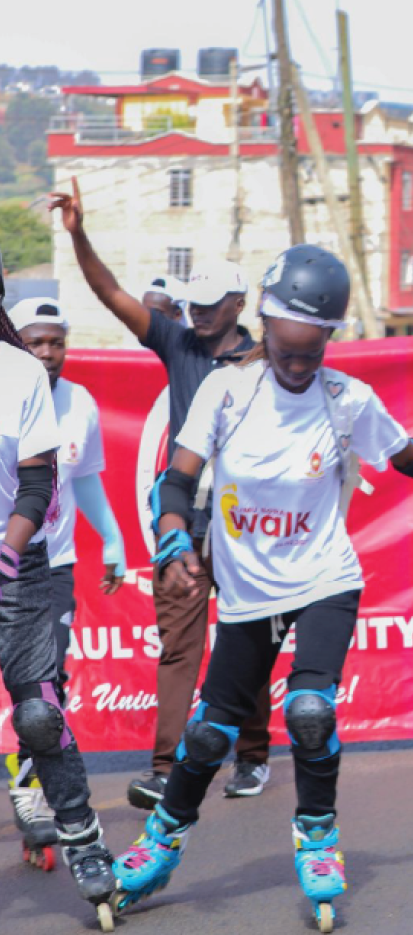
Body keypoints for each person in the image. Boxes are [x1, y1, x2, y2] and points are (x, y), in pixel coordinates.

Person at [109, 245, 413, 930]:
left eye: (312, 353)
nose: (298, 367)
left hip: (325, 576)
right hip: (250, 591)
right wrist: (174, 532)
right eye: (287, 351)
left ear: (330, 339)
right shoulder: (227, 392)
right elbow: (175, 478)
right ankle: (160, 843)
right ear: (264, 327)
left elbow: (408, 452)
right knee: (210, 734)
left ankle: (318, 839)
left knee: (308, 710)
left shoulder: (344, 398)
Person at [52, 179, 273, 809]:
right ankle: (164, 767)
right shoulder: (177, 341)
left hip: (249, 519)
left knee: (248, 633)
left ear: (238, 303)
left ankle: (253, 757)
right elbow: (110, 293)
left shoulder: (266, 358)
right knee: (179, 642)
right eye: (192, 303)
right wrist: (78, 235)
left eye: (209, 304)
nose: (197, 312)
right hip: (182, 516)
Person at [0, 259, 117, 929]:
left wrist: (9, 550)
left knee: (40, 715)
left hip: (19, 561)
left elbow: (41, 484)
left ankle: (83, 842)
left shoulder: (19, 373)